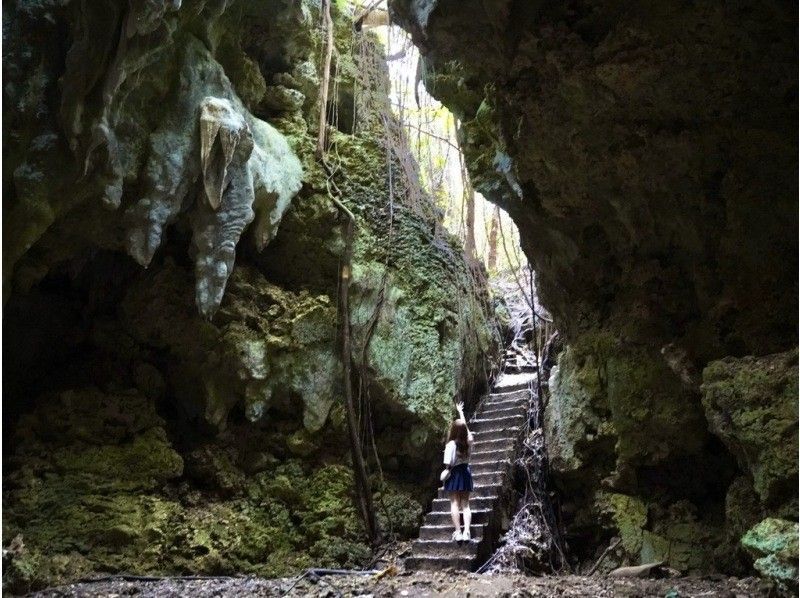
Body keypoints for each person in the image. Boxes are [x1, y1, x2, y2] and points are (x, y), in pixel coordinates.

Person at [441, 401, 475, 542]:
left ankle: (458, 532)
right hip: (465, 472)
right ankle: (467, 532)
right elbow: (466, 429)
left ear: (453, 431)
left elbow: (447, 463)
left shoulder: (450, 445)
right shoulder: (469, 441)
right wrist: (461, 413)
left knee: (454, 503)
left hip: (454, 474)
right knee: (465, 504)